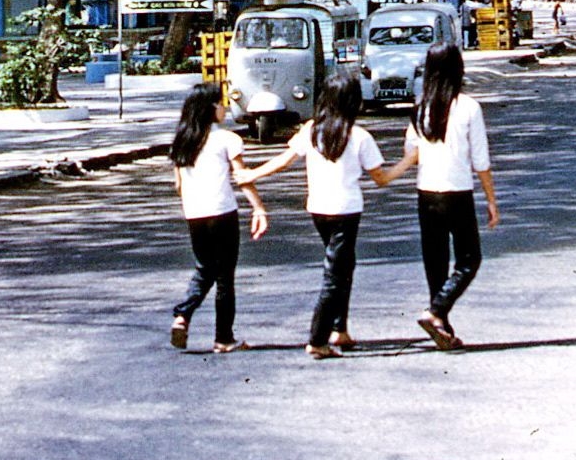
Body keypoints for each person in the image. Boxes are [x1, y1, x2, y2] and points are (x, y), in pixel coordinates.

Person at [244, 73, 413, 359]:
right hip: (346, 211)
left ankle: (340, 329)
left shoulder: (311, 130)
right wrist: (410, 160)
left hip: (318, 209)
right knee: (335, 274)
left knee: (342, 266)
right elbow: (381, 178)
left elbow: (283, 161)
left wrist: (252, 173)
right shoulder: (358, 136)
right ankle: (318, 339)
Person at [403, 41, 499, 351]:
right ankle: (436, 311)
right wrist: (491, 200)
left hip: (426, 192)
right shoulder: (468, 107)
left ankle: (441, 323)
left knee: (436, 261)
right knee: (470, 258)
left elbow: (410, 152)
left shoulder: (420, 108)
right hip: (458, 191)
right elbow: (480, 160)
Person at [168, 82, 268, 354]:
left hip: (195, 214)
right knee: (224, 278)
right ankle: (224, 338)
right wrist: (258, 207)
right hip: (222, 212)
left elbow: (178, 185)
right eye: (220, 103)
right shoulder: (226, 139)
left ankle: (183, 315)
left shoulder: (182, 141)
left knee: (204, 268)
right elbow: (242, 177)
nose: (224, 107)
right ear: (211, 109)